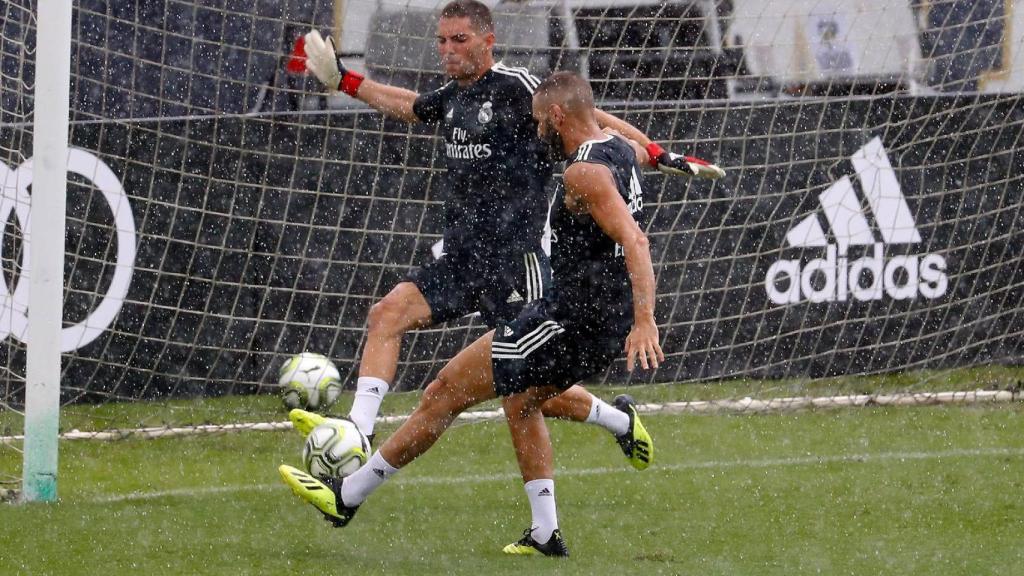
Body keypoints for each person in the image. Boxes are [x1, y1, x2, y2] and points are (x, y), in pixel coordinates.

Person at [293, 0, 719, 463]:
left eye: (460, 40)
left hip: (518, 263)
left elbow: (589, 118)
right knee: (387, 314)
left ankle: (617, 422)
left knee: (522, 387)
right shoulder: (453, 96)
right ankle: (358, 431)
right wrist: (345, 82)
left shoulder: (517, 87)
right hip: (461, 255)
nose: (449, 50)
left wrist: (658, 153)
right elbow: (409, 105)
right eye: (442, 41)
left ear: (487, 41)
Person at [279, 70, 665, 557]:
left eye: (541, 121)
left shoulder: (582, 172)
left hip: (569, 319)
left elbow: (634, 240)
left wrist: (645, 320)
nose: (537, 130)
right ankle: (545, 533)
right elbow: (630, 151)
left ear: (558, 116)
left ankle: (347, 496)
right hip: (593, 321)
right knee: (520, 401)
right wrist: (661, 155)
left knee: (444, 392)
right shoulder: (620, 150)